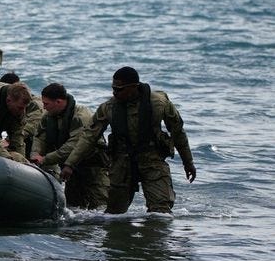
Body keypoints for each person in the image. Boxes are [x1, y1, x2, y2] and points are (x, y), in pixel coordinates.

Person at [60, 67, 197, 214]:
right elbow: (89, 137)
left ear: (134, 87)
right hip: (122, 163)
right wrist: (70, 164)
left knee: (160, 212)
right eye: (113, 88)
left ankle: (155, 236)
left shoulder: (159, 103)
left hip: (152, 160)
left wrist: (188, 162)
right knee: (114, 214)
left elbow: (178, 133)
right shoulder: (108, 107)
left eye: (119, 89)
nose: (114, 93)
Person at [30, 83, 110, 209]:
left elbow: (72, 146)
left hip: (93, 167)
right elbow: (40, 136)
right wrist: (35, 154)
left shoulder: (81, 117)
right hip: (70, 168)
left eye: (46, 104)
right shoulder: (49, 116)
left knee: (100, 206)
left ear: (58, 102)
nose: (44, 108)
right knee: (73, 206)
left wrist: (45, 159)